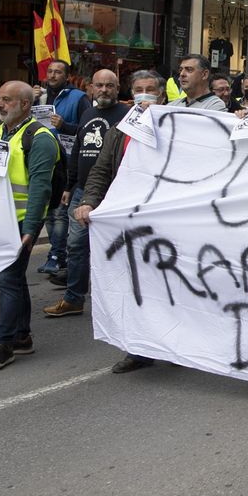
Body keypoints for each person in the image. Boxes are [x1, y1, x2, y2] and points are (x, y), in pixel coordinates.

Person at [72, 72, 191, 377]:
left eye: (150, 90)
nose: (144, 95)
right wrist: (89, 201)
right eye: (138, 90)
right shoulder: (119, 131)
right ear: (131, 95)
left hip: (164, 224)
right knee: (134, 287)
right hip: (127, 223)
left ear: (162, 96)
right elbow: (100, 171)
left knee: (168, 286)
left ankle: (178, 344)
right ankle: (138, 349)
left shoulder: (179, 128)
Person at [0, 81, 59, 370]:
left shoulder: (41, 138)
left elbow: (40, 187)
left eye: (7, 100)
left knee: (9, 279)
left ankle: (4, 342)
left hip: (21, 222)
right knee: (14, 279)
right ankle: (22, 336)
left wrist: (31, 229)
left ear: (25, 105)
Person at [44, 69, 127, 314]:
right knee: (77, 245)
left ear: (117, 87)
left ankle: (115, 303)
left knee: (113, 250)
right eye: (99, 85)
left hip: (114, 193)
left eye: (109, 86)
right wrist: (70, 186)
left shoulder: (127, 115)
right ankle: (74, 299)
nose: (104, 90)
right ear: (91, 87)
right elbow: (78, 150)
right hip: (82, 191)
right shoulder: (88, 113)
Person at [35, 60, 87, 279]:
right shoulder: (41, 97)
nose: (53, 75)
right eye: (50, 72)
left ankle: (57, 256)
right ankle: (55, 254)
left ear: (67, 76)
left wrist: (64, 126)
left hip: (67, 161)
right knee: (48, 211)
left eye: (58, 72)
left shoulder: (78, 98)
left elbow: (87, 131)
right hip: (44, 160)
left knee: (59, 213)